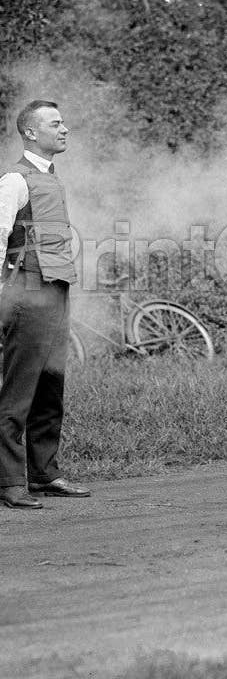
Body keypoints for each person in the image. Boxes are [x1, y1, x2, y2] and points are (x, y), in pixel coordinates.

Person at [0, 100, 89, 509]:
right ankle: (8, 482)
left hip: (55, 289)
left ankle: (44, 474)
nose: (64, 128)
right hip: (27, 292)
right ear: (31, 133)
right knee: (18, 391)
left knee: (51, 387)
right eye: (55, 123)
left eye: (63, 122)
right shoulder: (14, 180)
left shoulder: (50, 178)